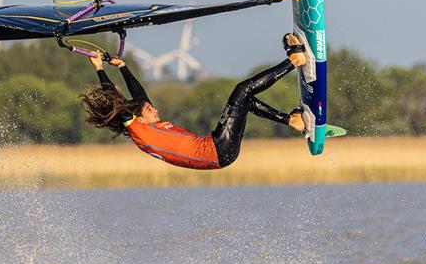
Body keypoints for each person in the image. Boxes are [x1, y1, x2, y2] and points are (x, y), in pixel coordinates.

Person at [79, 34, 308, 169]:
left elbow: (139, 97)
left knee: (245, 100)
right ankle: (294, 60)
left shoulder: (146, 126)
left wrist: (123, 67)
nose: (155, 108)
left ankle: (292, 121)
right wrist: (99, 69)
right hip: (218, 149)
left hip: (220, 152)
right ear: (137, 117)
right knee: (241, 90)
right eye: (151, 109)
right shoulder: (139, 130)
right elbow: (115, 100)